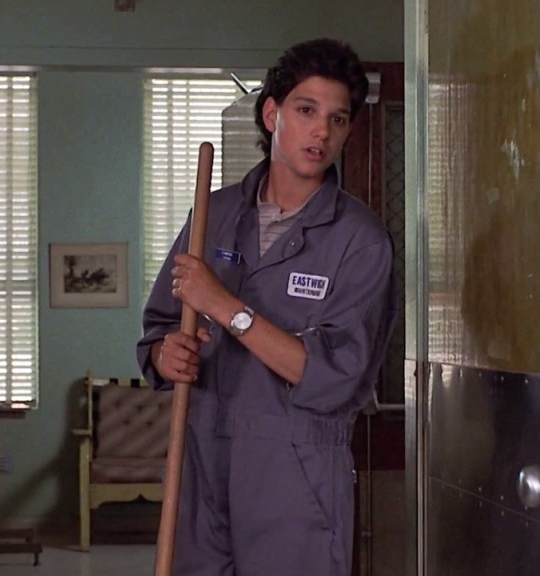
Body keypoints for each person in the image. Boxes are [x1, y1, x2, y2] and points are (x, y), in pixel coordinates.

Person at [137, 37, 396, 576]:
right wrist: (167, 355)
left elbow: (335, 376)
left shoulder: (359, 240)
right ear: (272, 114)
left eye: (337, 119)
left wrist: (226, 307)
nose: (321, 132)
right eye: (306, 111)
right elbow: (160, 327)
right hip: (202, 460)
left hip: (295, 475)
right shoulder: (214, 213)